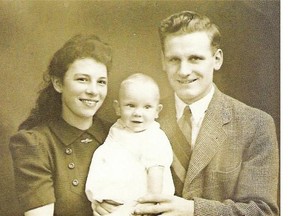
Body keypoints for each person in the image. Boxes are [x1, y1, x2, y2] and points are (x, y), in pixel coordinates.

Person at [96, 11, 279, 216]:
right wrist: (105, 201)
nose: (183, 70)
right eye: (174, 59)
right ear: (163, 62)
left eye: (195, 58)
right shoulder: (136, 120)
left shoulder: (255, 125)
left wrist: (193, 210)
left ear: (216, 59)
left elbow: (263, 211)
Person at [9, 34, 113, 216]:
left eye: (101, 82)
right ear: (58, 83)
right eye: (82, 79)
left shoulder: (119, 134)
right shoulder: (35, 144)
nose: (93, 91)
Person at [85, 73, 175, 216]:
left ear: (157, 111)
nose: (138, 113)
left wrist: (149, 207)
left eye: (147, 107)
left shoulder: (154, 136)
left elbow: (156, 174)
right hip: (113, 204)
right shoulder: (117, 129)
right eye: (131, 105)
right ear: (118, 108)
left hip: (141, 205)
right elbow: (106, 159)